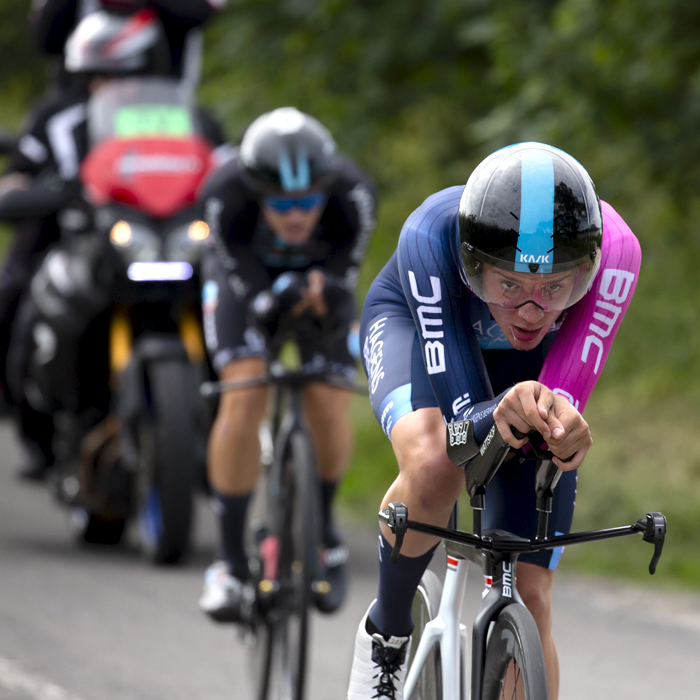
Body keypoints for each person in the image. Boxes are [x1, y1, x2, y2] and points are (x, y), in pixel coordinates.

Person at [346, 142, 641, 700]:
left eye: (556, 288)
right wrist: (488, 416)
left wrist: (563, 429)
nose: (531, 311)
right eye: (509, 284)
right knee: (436, 464)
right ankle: (386, 635)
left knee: (532, 593)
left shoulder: (618, 252)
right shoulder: (431, 236)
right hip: (422, 331)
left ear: (587, 269)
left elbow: (561, 402)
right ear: (473, 263)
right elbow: (462, 428)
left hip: (526, 371)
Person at [0, 8, 225, 479]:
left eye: (123, 73)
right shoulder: (56, 119)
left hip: (165, 239)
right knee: (19, 294)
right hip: (75, 238)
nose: (110, 85)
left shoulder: (187, 117)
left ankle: (224, 428)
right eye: (97, 75)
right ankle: (35, 426)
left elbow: (219, 168)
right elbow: (18, 176)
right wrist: (37, 192)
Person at [197, 107, 377, 620]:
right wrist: (266, 299)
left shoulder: (353, 194)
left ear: (326, 190)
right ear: (256, 194)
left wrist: (324, 293)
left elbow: (344, 277)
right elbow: (238, 276)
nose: (296, 215)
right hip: (244, 283)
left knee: (329, 398)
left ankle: (321, 532)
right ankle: (229, 562)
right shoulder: (223, 192)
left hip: (321, 284)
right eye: (280, 204)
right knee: (244, 393)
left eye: (307, 202)